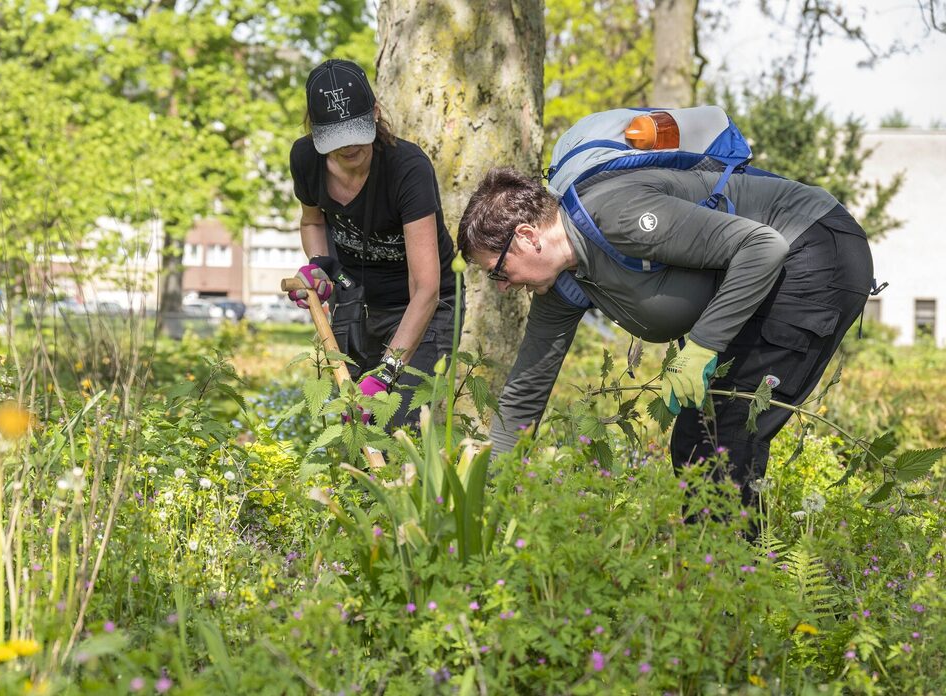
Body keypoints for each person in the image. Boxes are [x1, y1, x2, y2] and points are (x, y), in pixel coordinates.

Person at [457, 165, 874, 510]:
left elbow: (763, 247)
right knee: (703, 441)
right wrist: (487, 494)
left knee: (719, 440)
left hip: (813, 249)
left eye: (497, 271)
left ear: (527, 236)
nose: (502, 287)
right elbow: (526, 390)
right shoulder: (564, 284)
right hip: (777, 274)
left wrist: (703, 346)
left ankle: (736, 577)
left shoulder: (617, 214)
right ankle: (733, 571)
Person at [287, 59, 460, 426]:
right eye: (337, 137)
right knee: (354, 423)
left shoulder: (407, 168)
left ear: (375, 112)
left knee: (399, 424)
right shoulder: (305, 159)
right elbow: (312, 220)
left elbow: (426, 288)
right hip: (357, 303)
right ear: (316, 132)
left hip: (423, 307)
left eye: (356, 131)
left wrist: (386, 372)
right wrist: (319, 268)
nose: (350, 146)